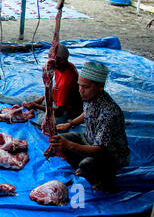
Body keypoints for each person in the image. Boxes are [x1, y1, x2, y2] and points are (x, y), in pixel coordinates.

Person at [52, 61, 130, 191]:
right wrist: (70, 124)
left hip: (110, 153)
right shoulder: (91, 98)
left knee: (86, 163)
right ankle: (83, 166)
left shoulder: (110, 113)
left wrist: (70, 145)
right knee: (62, 139)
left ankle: (105, 181)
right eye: (79, 86)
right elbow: (87, 114)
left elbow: (100, 149)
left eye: (86, 87)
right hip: (89, 138)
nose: (81, 91)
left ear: (100, 86)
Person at [0, 44, 82, 126]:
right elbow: (55, 90)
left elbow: (59, 111)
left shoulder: (66, 82)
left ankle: (38, 111)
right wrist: (39, 100)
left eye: (52, 58)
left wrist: (36, 106)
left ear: (62, 60)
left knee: (42, 122)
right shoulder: (64, 67)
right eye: (48, 57)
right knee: (30, 98)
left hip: (65, 112)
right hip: (56, 101)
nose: (49, 61)